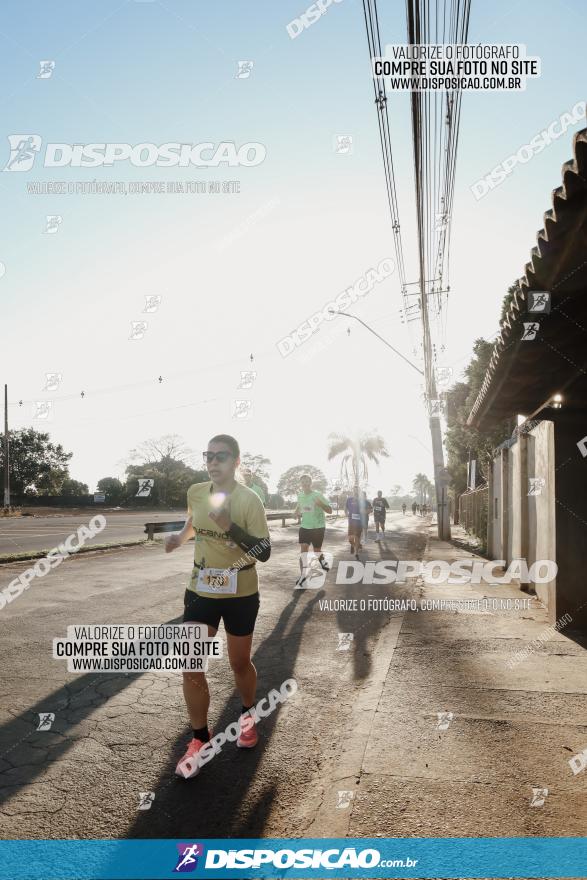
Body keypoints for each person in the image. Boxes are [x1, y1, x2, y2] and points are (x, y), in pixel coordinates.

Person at [165, 434, 270, 779]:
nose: (212, 462)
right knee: (191, 665)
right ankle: (200, 739)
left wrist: (230, 527)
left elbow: (264, 552)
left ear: (236, 461)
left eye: (221, 456)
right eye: (208, 455)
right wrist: (180, 537)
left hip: (240, 591)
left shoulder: (249, 500)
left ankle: (247, 717)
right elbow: (193, 521)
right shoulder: (196, 492)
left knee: (239, 662)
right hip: (201, 589)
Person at [292, 475, 332, 588]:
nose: (305, 484)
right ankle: (303, 577)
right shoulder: (300, 495)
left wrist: (321, 505)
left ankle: (322, 561)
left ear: (311, 483)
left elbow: (330, 510)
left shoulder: (317, 495)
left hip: (318, 527)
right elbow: (299, 505)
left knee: (316, 551)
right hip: (305, 527)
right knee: (303, 551)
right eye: (303, 482)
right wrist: (295, 513)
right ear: (300, 484)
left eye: (307, 482)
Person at [346, 490, 363, 559]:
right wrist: (346, 513)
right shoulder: (349, 499)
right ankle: (355, 545)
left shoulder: (361, 500)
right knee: (350, 539)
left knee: (357, 537)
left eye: (357, 489)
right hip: (351, 522)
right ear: (353, 491)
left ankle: (356, 553)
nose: (356, 491)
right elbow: (345, 508)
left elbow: (366, 509)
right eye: (354, 489)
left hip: (359, 522)